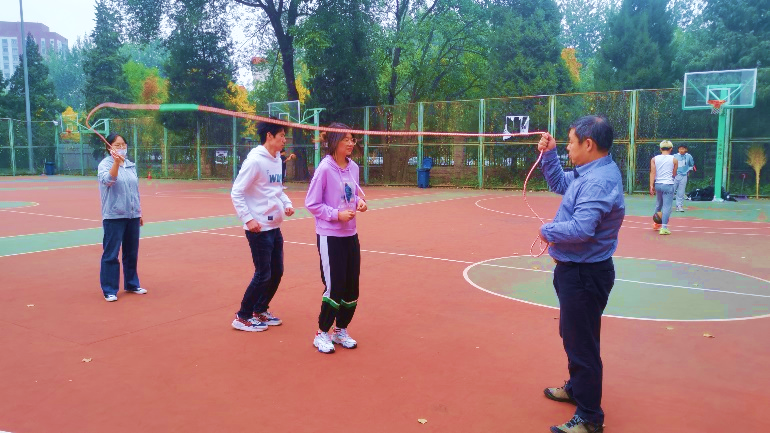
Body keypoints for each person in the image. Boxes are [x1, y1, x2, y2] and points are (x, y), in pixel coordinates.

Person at [537, 116, 625, 433]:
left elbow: (581, 229)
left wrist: (546, 231)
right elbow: (560, 184)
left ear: (588, 144)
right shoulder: (590, 171)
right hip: (577, 271)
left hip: (584, 275)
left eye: (571, 142)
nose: (568, 148)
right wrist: (549, 153)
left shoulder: (598, 181)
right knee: (573, 335)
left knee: (582, 345)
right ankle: (577, 389)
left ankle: (589, 418)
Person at [305, 123, 367, 354]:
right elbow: (312, 203)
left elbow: (351, 194)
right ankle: (322, 333)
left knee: (352, 286)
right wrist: (336, 215)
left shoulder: (353, 168)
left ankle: (340, 330)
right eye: (346, 139)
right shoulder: (324, 169)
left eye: (352, 139)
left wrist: (359, 202)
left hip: (350, 234)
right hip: (329, 235)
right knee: (335, 286)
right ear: (334, 142)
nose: (351, 143)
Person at [230, 118, 295, 332]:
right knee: (263, 274)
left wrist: (287, 203)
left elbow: (276, 189)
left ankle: (260, 309)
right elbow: (237, 191)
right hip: (258, 228)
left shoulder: (276, 159)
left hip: (274, 226)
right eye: (282, 135)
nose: (285, 140)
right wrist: (248, 219)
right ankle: (243, 316)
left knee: (277, 272)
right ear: (269, 136)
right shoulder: (255, 161)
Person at [97, 133, 147, 302]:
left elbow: (135, 190)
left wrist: (138, 212)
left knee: (131, 252)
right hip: (114, 216)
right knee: (111, 254)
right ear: (109, 147)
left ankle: (132, 284)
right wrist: (116, 164)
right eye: (117, 145)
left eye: (123, 144)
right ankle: (109, 289)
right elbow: (109, 180)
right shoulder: (104, 165)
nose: (121, 148)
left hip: (132, 215)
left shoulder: (131, 165)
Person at [650, 140, 678, 235]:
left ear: (660, 149)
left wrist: (651, 185)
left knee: (658, 204)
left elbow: (653, 173)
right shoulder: (674, 160)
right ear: (671, 149)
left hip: (658, 184)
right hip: (668, 184)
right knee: (667, 207)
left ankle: (656, 224)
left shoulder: (654, 159)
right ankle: (664, 228)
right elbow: (674, 174)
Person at [673, 144, 695, 212]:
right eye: (680, 149)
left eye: (683, 149)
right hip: (675, 176)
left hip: (684, 176)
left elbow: (691, 165)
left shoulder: (689, 156)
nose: (681, 150)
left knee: (681, 192)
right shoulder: (674, 156)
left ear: (686, 149)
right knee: (671, 191)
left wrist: (689, 171)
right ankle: (666, 206)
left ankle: (679, 206)